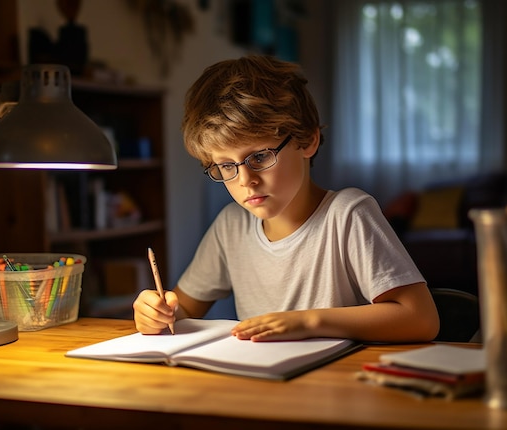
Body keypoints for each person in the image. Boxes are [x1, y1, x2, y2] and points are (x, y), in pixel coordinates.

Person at [133, 55, 440, 342]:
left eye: (260, 156)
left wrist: (308, 322)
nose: (245, 180)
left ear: (307, 140)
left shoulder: (347, 215)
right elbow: (183, 312)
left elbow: (421, 319)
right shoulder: (231, 226)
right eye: (226, 165)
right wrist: (158, 313)